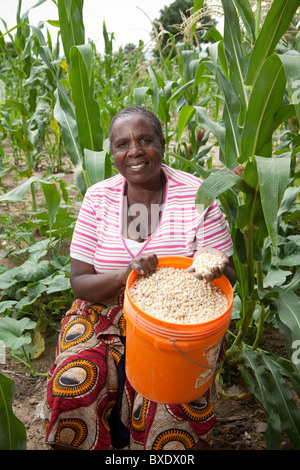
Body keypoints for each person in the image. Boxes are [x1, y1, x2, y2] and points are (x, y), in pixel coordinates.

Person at [44, 105, 236, 450]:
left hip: (179, 322)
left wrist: (213, 265)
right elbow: (80, 281)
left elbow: (229, 276)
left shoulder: (198, 195)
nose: (134, 151)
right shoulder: (98, 197)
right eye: (122, 144)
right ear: (113, 153)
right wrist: (123, 274)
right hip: (103, 309)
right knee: (72, 383)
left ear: (162, 144)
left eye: (145, 139)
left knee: (169, 406)